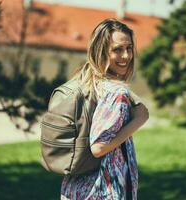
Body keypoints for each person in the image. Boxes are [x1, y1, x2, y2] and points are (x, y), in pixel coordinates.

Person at [60, 18, 149, 200]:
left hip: (75, 189)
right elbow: (99, 147)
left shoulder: (85, 83)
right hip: (102, 192)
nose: (126, 56)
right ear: (101, 52)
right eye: (117, 49)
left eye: (129, 48)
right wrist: (139, 119)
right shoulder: (116, 91)